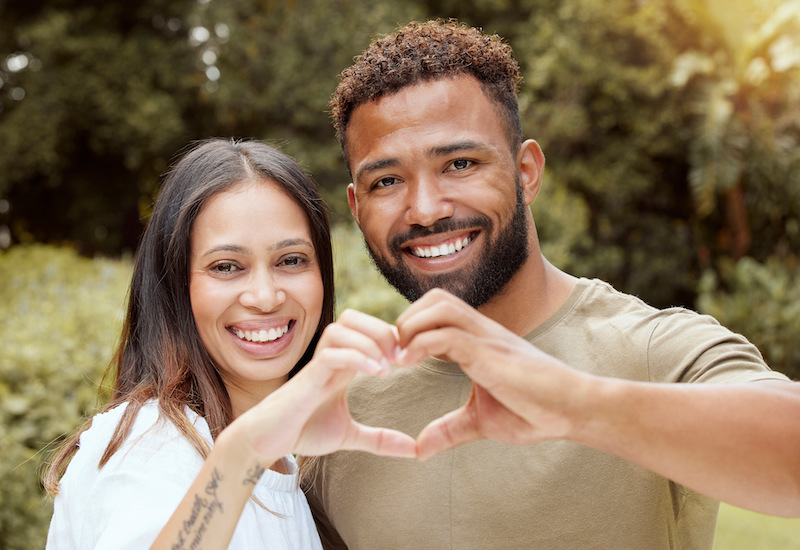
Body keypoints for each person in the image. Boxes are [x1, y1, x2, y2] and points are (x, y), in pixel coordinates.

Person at [304, 20, 800, 549]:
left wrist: (574, 404)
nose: (425, 209)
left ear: (527, 173)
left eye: (460, 163)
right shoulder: (338, 412)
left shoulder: (653, 350)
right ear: (357, 208)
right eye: (387, 181)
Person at [43, 138, 416, 549]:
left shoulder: (290, 460)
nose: (265, 296)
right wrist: (245, 452)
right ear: (177, 287)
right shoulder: (153, 441)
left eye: (291, 260)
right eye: (226, 267)